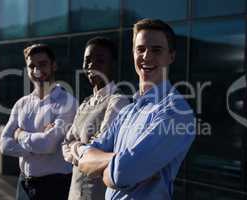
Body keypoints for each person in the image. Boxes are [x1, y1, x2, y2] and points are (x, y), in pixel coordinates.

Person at [77, 18, 196, 200]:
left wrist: (108, 167)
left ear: (171, 56)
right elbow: (84, 160)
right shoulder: (127, 111)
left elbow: (120, 174)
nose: (146, 57)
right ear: (133, 53)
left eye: (156, 50)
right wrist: (117, 160)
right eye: (140, 49)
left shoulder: (176, 111)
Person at [0, 43, 77, 200]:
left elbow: (48, 145)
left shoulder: (68, 102)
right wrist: (37, 144)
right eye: (32, 66)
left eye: (43, 64)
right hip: (23, 185)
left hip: (54, 186)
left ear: (53, 66)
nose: (37, 71)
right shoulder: (21, 104)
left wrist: (20, 134)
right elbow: (4, 144)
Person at [62, 36, 129, 200]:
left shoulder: (118, 101)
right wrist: (83, 149)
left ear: (111, 64)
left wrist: (76, 145)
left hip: (97, 194)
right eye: (87, 60)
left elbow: (102, 148)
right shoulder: (85, 103)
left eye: (99, 60)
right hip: (75, 192)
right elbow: (65, 143)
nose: (91, 65)